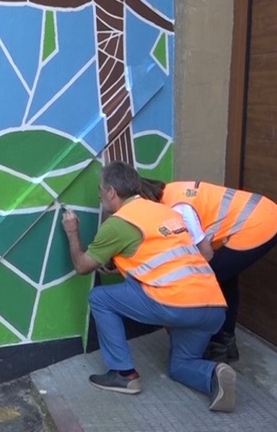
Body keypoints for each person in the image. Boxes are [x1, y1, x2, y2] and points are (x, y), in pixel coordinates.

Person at [62, 161, 236, 412]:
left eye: (101, 190)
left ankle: (123, 374)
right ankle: (214, 375)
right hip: (213, 307)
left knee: (100, 298)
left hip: (175, 304)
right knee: (181, 365)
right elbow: (159, 256)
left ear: (111, 192)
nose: (99, 195)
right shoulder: (164, 211)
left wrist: (72, 232)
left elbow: (82, 266)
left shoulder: (119, 222)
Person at [140, 178, 277, 363]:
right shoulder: (172, 191)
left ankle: (212, 345)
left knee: (208, 282)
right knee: (225, 279)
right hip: (265, 214)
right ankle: (225, 343)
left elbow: (206, 253)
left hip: (260, 224)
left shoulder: (177, 208)